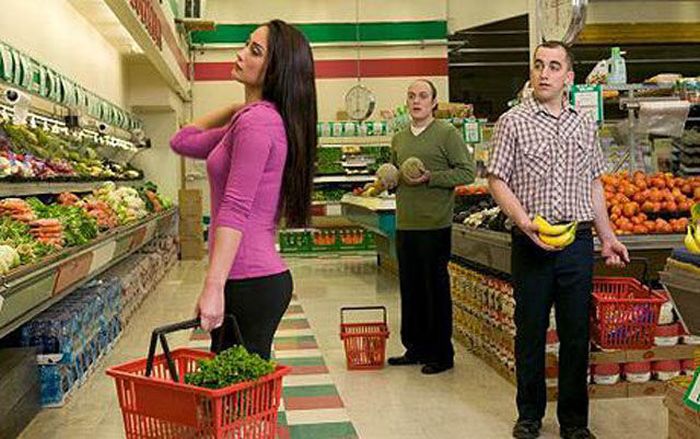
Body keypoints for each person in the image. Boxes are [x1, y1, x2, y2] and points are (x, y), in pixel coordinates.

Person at [487, 41, 630, 439]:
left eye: (553, 66)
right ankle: (529, 416)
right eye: (538, 65)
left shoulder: (583, 123)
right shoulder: (512, 121)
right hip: (530, 240)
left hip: (577, 241)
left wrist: (607, 236)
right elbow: (496, 179)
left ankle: (574, 422)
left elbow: (593, 183)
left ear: (568, 77)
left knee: (575, 334)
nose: (544, 73)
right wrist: (523, 222)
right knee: (530, 331)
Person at [170, 20, 317, 360]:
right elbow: (182, 141)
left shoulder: (258, 123)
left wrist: (213, 286)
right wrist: (233, 109)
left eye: (255, 51)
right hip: (249, 278)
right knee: (238, 387)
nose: (240, 54)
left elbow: (236, 207)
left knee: (238, 388)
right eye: (246, 44)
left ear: (275, 69)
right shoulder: (250, 120)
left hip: (249, 280)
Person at [387, 79, 475, 375]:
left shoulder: (446, 133)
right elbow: (396, 173)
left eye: (423, 96)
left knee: (434, 289)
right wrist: (388, 180)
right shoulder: (399, 138)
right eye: (412, 96)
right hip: (405, 223)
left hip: (435, 224)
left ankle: (441, 353)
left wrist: (431, 178)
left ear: (434, 102)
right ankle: (415, 348)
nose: (416, 101)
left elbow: (466, 172)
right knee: (410, 289)